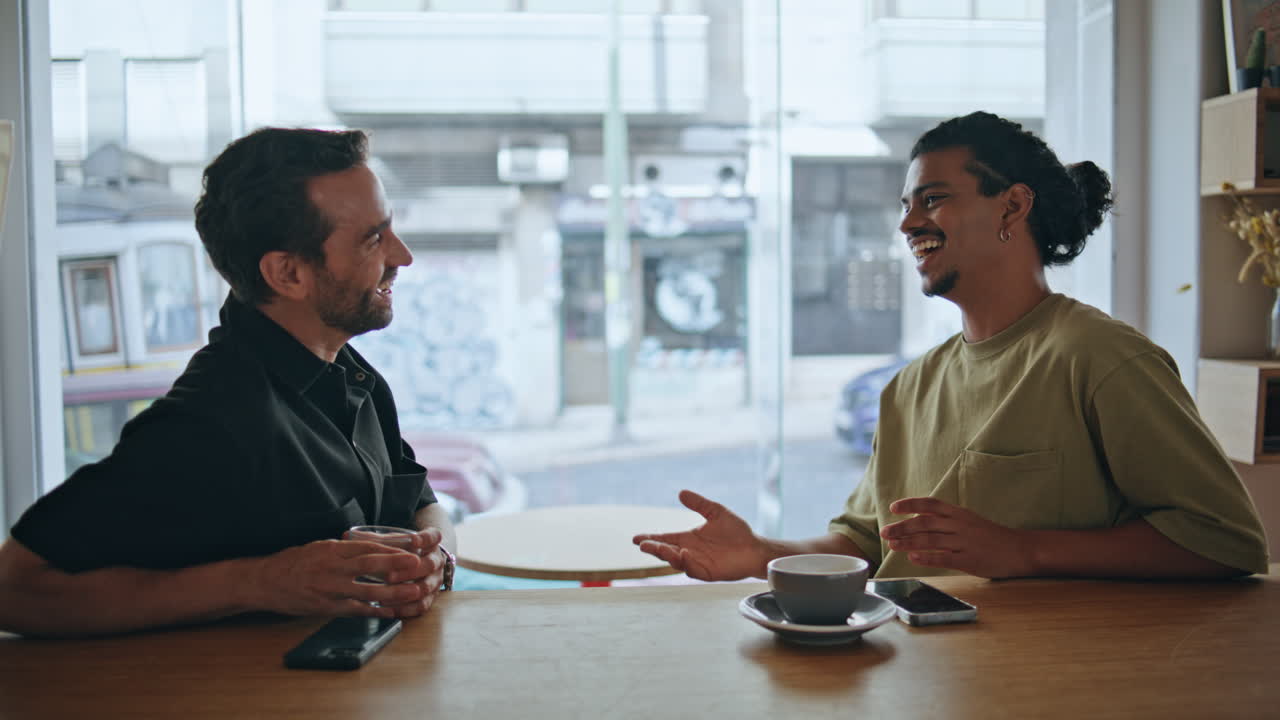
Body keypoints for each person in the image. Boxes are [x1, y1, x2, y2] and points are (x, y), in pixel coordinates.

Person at [635, 111, 1270, 582]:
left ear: (1012, 207)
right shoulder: (907, 389)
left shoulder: (1099, 358)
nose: (908, 223)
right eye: (906, 205)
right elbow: (867, 546)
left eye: (932, 200)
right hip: (917, 684)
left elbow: (1224, 540)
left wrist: (1024, 550)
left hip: (1054, 687)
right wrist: (763, 555)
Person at [0, 128, 456, 637]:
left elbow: (423, 505)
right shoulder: (213, 419)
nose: (402, 256)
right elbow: (13, 586)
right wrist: (261, 582)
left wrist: (436, 560)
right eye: (374, 239)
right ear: (288, 274)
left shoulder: (355, 377)